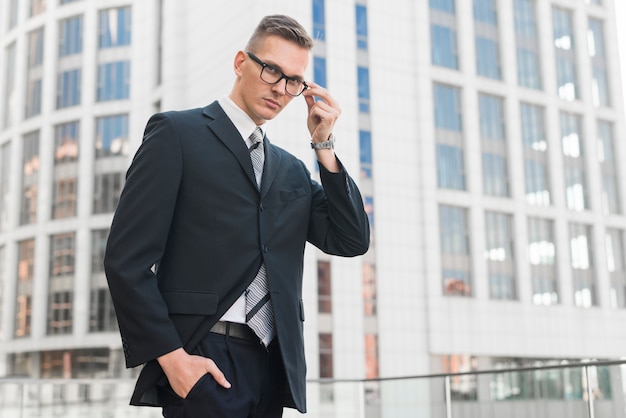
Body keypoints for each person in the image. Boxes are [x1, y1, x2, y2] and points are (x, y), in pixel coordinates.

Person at [104, 14, 370, 418]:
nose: (281, 89)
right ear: (241, 63)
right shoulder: (176, 134)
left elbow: (350, 239)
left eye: (294, 81)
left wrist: (324, 146)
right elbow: (126, 260)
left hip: (272, 367)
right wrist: (173, 360)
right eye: (271, 70)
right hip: (203, 358)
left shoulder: (292, 169)